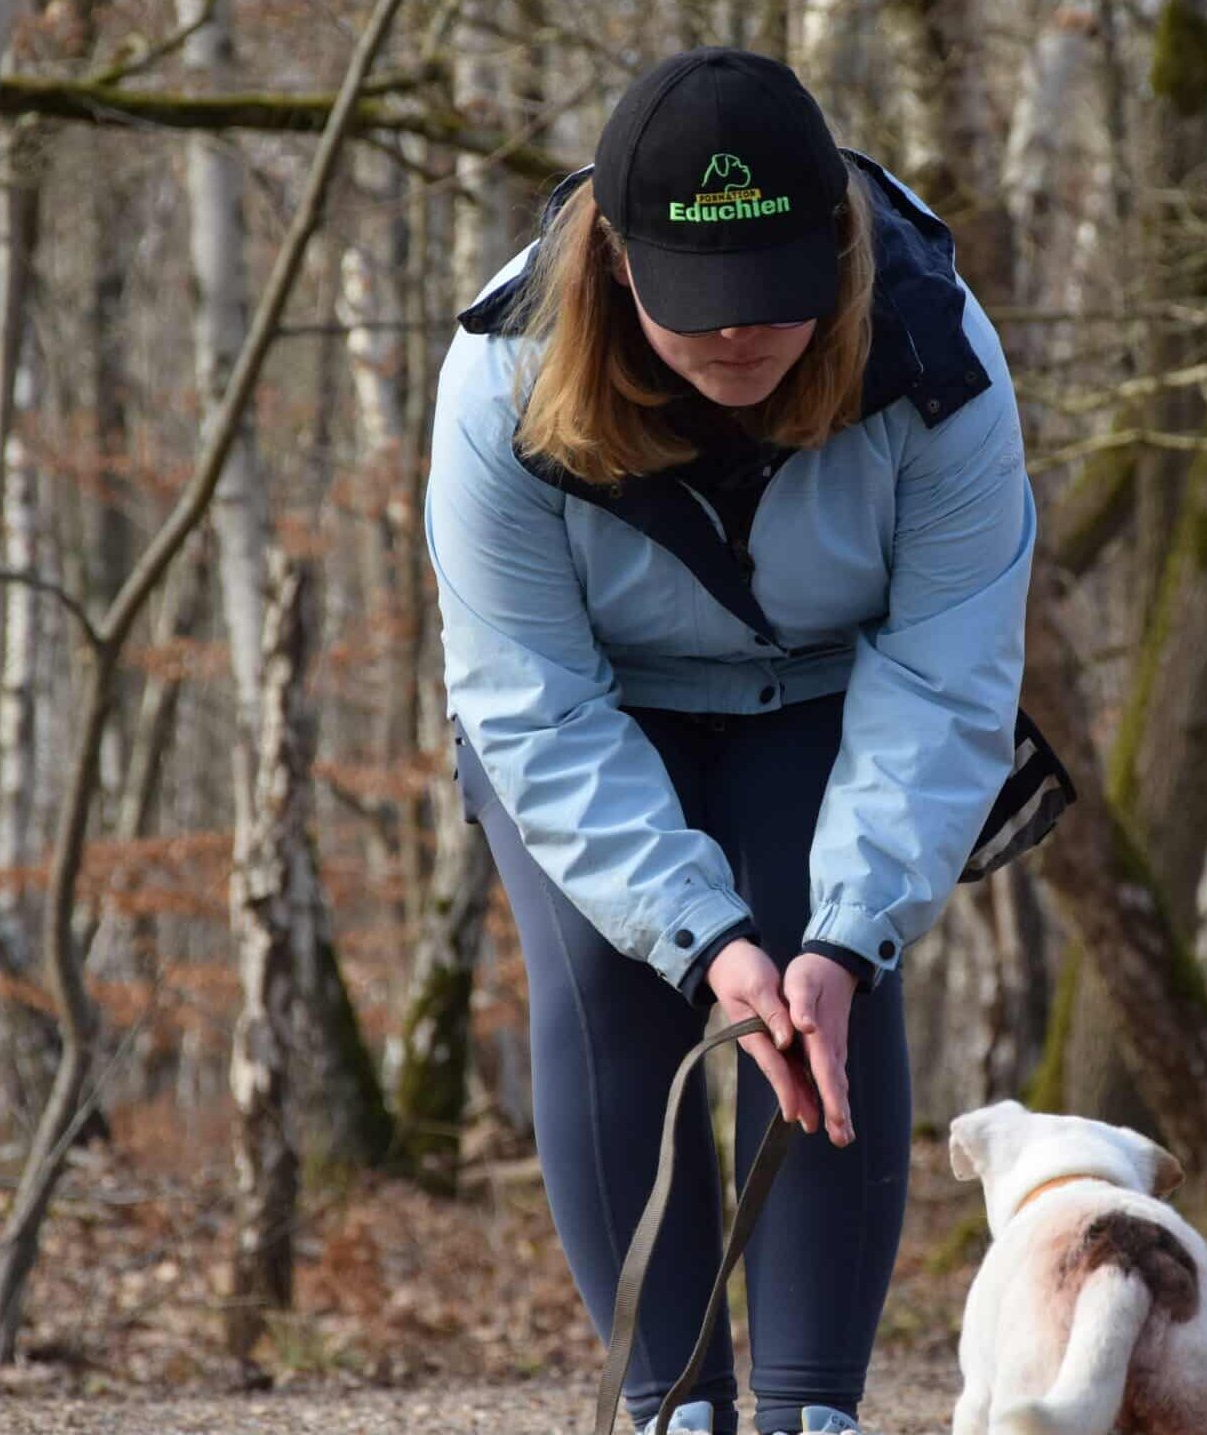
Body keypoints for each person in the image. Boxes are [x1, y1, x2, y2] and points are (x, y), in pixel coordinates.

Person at [427, 46, 1035, 1435]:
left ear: (833, 250)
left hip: (832, 697)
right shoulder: (496, 385)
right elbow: (529, 701)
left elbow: (948, 678)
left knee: (827, 984)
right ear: (617, 266)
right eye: (693, 311)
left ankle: (814, 1413)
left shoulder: (939, 359)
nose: (733, 344)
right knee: (605, 969)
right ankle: (670, 1407)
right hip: (589, 709)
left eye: (768, 305)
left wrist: (840, 932)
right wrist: (702, 936)